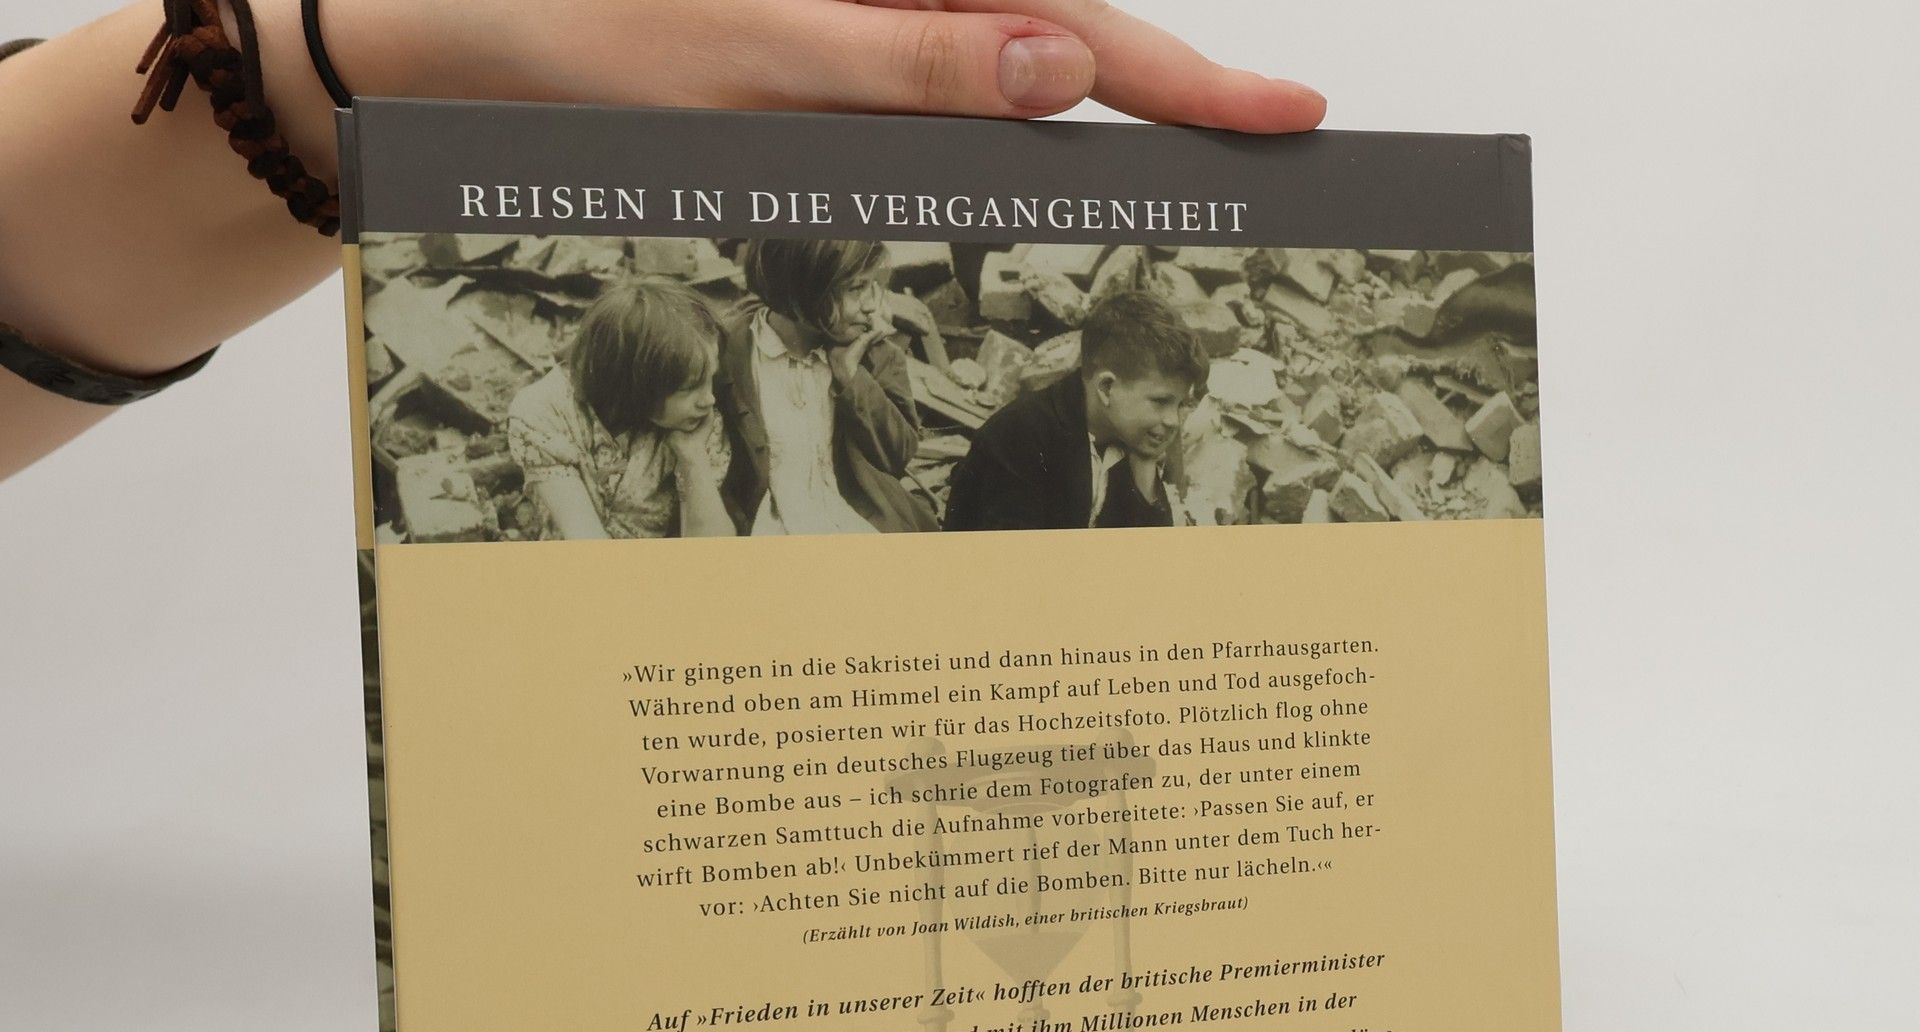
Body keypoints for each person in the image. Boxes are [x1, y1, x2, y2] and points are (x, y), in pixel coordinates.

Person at [0, 1, 1325, 480]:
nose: (878, 316)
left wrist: (363, 53)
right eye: (859, 300)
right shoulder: (682, 391)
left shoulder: (873, 361)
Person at [716, 237, 935, 536]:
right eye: (855, 288)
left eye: (872, 285)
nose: (871, 305)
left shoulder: (876, 354)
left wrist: (852, 378)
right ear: (803, 288)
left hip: (853, 519)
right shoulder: (729, 353)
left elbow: (897, 456)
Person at [944, 289, 1208, 533]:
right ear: (1106, 388)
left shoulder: (1130, 434)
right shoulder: (1022, 436)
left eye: (1180, 404)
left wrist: (1146, 476)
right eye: (1160, 401)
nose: (1173, 421)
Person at [506, 279, 734, 541]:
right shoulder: (544, 412)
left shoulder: (697, 423)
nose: (709, 399)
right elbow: (588, 544)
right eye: (689, 387)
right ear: (635, 382)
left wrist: (692, 457)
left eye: (710, 379)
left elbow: (714, 551)